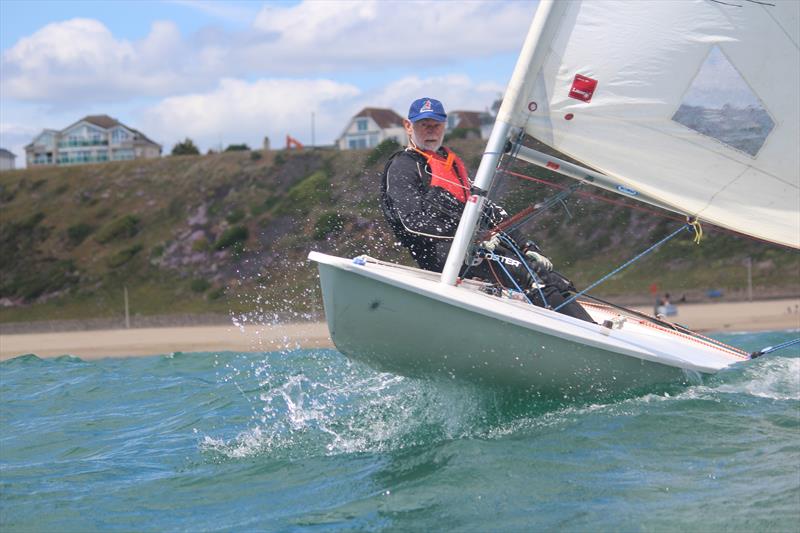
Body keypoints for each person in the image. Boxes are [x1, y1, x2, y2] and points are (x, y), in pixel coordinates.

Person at [380, 97, 593, 323]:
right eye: (424, 124)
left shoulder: (448, 163)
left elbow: (487, 210)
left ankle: (592, 329)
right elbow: (411, 221)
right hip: (444, 256)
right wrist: (468, 235)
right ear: (408, 126)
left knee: (548, 275)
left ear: (445, 126)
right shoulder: (403, 166)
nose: (431, 130)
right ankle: (587, 336)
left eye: (436, 124)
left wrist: (526, 246)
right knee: (529, 277)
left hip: (474, 249)